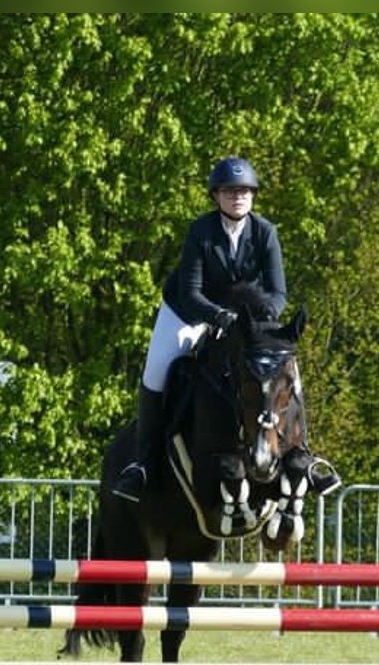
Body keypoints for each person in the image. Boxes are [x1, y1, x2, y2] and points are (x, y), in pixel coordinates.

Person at [111, 155, 341, 502]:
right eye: (230, 191)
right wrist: (220, 317)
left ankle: (306, 457)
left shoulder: (265, 232)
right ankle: (143, 465)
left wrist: (262, 322)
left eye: (245, 191)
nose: (239, 197)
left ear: (253, 196)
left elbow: (278, 294)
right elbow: (190, 292)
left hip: (247, 319)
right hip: (189, 313)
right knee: (155, 373)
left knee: (286, 370)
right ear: (216, 196)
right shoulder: (201, 231)